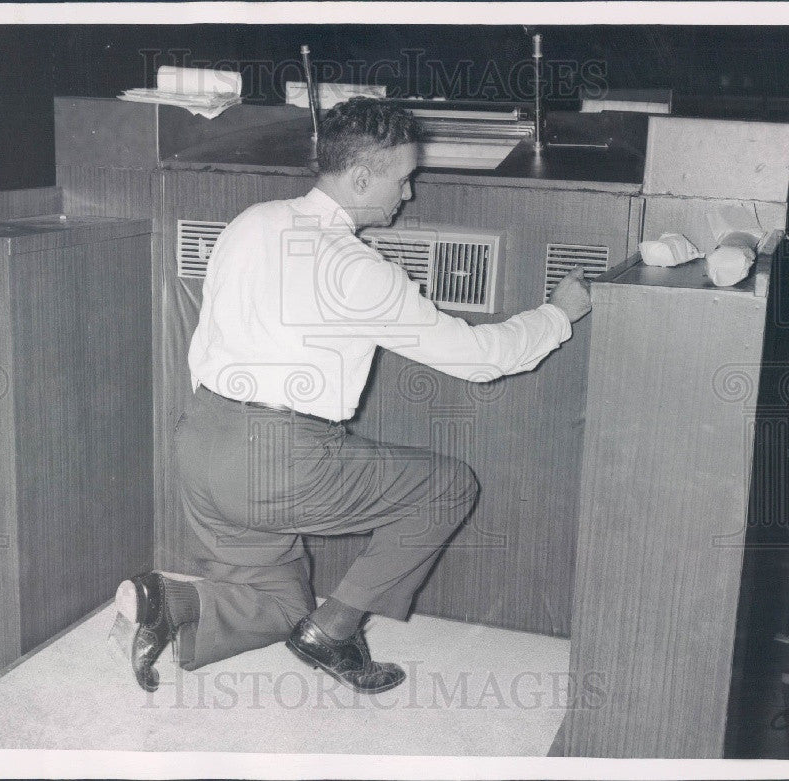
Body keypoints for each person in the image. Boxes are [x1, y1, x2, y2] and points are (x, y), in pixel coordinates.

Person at [115, 96, 592, 695]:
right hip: (277, 461)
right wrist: (558, 314)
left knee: (285, 602)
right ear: (361, 176)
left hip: (198, 443)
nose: (409, 194)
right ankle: (335, 631)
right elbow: (483, 360)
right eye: (404, 178)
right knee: (447, 485)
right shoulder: (356, 267)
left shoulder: (251, 220)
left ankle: (168, 601)